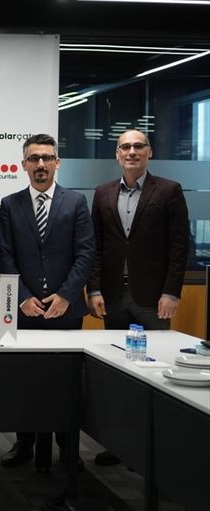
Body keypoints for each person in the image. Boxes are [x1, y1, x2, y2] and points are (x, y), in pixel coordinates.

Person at [86, 128, 189, 466]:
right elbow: (96, 248)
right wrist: (95, 289)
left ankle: (152, 447)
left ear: (149, 152)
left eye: (138, 146)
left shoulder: (169, 190)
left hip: (153, 298)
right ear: (117, 154)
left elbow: (179, 246)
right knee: (119, 371)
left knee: (155, 373)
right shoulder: (102, 193)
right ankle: (120, 445)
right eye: (125, 147)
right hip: (113, 296)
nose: (131, 152)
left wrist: (171, 291)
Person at [0, 133, 94, 467]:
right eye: (34, 158)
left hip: (65, 311)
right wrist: (22, 298)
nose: (41, 164)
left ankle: (67, 447)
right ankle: (24, 444)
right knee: (25, 381)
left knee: (65, 384)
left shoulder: (76, 202)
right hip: (25, 312)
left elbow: (86, 254)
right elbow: (5, 255)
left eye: (47, 158)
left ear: (57, 163)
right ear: (23, 164)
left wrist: (66, 295)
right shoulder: (9, 204)